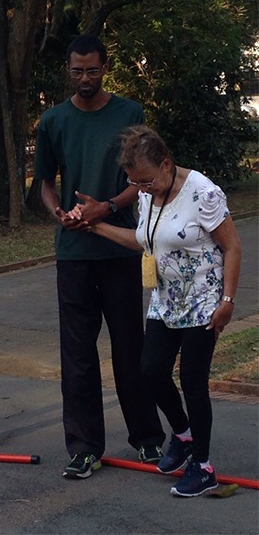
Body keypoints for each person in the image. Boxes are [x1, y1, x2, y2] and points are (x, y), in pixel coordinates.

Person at [74, 125, 241, 496]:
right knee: (150, 371)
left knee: (194, 383)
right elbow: (142, 239)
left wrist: (227, 302)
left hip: (203, 300)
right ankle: (183, 435)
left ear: (167, 164)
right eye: (136, 183)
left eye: (146, 181)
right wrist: (94, 225)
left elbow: (232, 247)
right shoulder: (150, 193)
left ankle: (204, 466)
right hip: (165, 300)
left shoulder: (203, 193)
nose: (141, 189)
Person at [34, 35, 165, 479]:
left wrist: (106, 207)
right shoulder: (53, 120)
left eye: (92, 70)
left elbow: (142, 180)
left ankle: (148, 440)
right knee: (77, 354)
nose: (84, 78)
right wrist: (60, 213)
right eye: (76, 71)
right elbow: (45, 182)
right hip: (73, 254)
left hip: (119, 247)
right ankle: (85, 447)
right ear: (67, 70)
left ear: (105, 67)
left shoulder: (129, 113)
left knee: (131, 347)